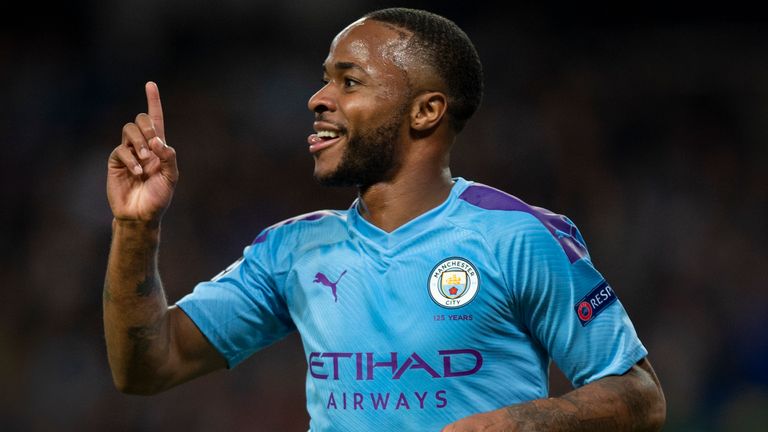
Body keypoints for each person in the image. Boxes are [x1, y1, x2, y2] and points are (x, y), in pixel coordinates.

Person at [103, 7, 666, 431]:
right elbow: (149, 365)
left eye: (349, 81)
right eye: (325, 78)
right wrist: (136, 228)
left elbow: (641, 395)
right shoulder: (291, 250)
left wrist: (524, 422)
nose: (318, 98)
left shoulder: (517, 236)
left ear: (426, 111)